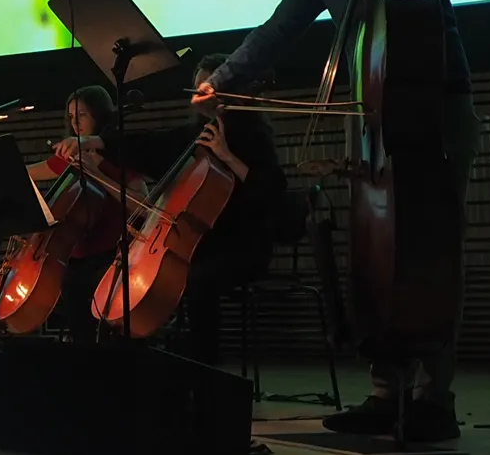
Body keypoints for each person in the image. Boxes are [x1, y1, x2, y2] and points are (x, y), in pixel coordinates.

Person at [192, 0, 490, 438]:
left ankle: (434, 399)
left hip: (436, 109)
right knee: (375, 248)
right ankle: (384, 387)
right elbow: (279, 29)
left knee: (434, 250)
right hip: (368, 119)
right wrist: (223, 82)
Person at [117, 56, 289, 365]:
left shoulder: (253, 135)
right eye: (197, 89)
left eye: (207, 89)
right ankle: (161, 359)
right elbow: (149, 144)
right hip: (205, 242)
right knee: (169, 272)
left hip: (244, 245)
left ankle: (204, 367)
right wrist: (97, 142)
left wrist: (225, 154)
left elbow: (271, 192)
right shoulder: (193, 133)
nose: (200, 96)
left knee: (195, 280)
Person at [19, 85, 130, 341]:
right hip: (76, 253)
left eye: (81, 115)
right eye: (71, 117)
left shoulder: (117, 155)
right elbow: (28, 172)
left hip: (110, 252)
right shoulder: (71, 156)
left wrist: (98, 174)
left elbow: (141, 200)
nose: (75, 123)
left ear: (99, 115)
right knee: (69, 283)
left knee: (78, 284)